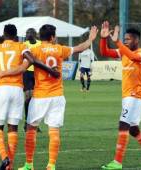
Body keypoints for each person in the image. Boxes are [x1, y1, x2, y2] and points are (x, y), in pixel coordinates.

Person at [0, 24, 59, 170]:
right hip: (17, 90)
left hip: (2, 89)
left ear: (3, 34)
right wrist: (49, 70)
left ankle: (4, 158)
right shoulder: (21, 46)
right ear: (15, 35)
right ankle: (10, 164)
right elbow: (32, 60)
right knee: (13, 127)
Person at [15, 24, 97, 170]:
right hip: (57, 95)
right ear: (52, 37)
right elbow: (80, 47)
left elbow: (23, 66)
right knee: (54, 131)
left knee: (31, 129)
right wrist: (91, 38)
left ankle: (29, 164)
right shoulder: (60, 49)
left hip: (40, 95)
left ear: (41, 37)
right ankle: (51, 165)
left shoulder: (34, 50)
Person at [99, 21, 141, 169]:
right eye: (125, 39)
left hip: (135, 95)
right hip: (129, 96)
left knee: (123, 124)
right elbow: (105, 52)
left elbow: (132, 56)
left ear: (136, 40)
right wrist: (103, 38)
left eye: (128, 39)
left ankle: (117, 162)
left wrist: (118, 42)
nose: (126, 41)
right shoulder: (124, 51)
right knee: (133, 129)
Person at [23, 28, 42, 132]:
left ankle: (34, 123)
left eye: (29, 32)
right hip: (26, 73)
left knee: (36, 99)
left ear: (34, 34)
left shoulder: (40, 44)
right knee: (28, 97)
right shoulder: (24, 44)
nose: (27, 34)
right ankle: (27, 122)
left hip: (37, 73)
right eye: (26, 32)